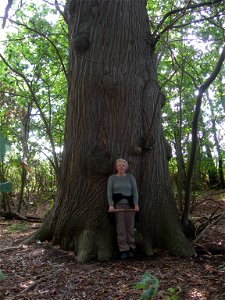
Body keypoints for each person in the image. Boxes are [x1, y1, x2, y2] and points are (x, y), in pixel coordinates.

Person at [107, 158, 139, 260]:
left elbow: (135, 191)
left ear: (126, 167)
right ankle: (123, 250)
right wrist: (111, 205)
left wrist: (136, 204)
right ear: (116, 167)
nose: (121, 167)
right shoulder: (112, 178)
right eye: (119, 165)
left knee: (130, 227)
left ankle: (131, 248)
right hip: (119, 206)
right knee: (121, 229)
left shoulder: (130, 177)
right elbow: (109, 193)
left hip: (130, 206)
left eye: (123, 165)